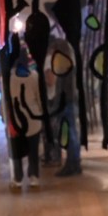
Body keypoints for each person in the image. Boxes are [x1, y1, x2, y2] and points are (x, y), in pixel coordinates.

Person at [46, 39, 82, 176]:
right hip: (70, 101)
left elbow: (61, 88)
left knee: (70, 135)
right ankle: (75, 163)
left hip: (66, 103)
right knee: (72, 134)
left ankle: (72, 164)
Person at [8, 49, 43, 192]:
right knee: (33, 150)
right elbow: (39, 97)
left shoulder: (10, 78)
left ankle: (18, 179)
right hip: (34, 118)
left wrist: (5, 117)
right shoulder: (34, 76)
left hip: (16, 119)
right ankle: (34, 177)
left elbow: (7, 99)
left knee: (17, 150)